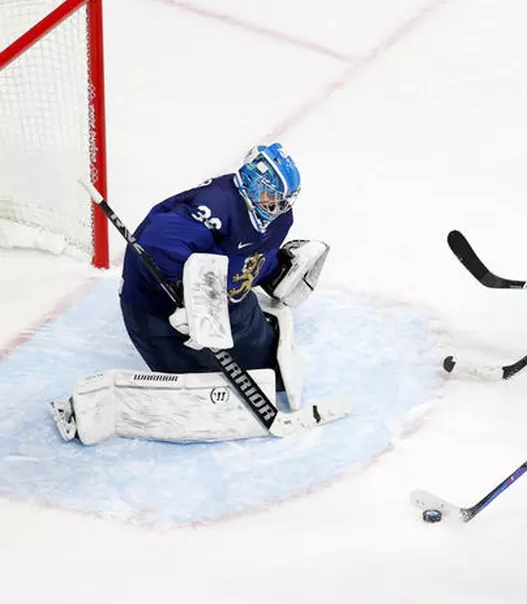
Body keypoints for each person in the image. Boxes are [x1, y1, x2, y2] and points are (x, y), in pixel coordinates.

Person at [49, 143, 330, 445]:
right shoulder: (214, 207)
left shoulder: (280, 218)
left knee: (265, 368)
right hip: (159, 312)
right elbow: (155, 245)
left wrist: (272, 270)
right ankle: (100, 408)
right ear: (251, 182)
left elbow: (247, 253)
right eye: (270, 196)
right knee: (199, 393)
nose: (277, 205)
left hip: (227, 302)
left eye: (283, 200)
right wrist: (187, 296)